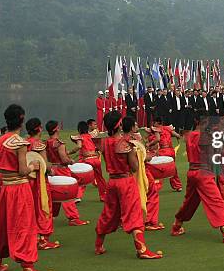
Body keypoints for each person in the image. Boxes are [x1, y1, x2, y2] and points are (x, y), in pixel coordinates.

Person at [0, 104, 54, 271]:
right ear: (21, 119)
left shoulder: (0, 141)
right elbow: (24, 170)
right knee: (24, 226)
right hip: (19, 187)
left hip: (6, 187)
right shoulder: (19, 142)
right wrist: (35, 165)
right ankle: (28, 269)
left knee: (4, 225)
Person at [94, 111, 163, 259]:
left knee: (109, 213)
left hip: (112, 182)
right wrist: (140, 154)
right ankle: (142, 249)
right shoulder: (126, 144)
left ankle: (99, 245)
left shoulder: (104, 143)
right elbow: (134, 167)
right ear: (119, 125)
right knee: (134, 213)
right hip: (125, 181)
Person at [172, 115, 224, 243]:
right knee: (217, 201)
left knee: (189, 202)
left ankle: (176, 226)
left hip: (192, 172)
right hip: (204, 173)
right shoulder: (206, 137)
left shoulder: (189, 135)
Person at [45, 120, 89, 226]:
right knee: (68, 193)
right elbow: (64, 159)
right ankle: (73, 218)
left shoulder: (46, 143)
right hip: (62, 169)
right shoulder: (59, 143)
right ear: (57, 129)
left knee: (55, 194)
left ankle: (51, 216)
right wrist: (70, 161)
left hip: (52, 169)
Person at [25, 118, 60, 251]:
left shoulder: (24, 143)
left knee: (32, 208)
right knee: (44, 207)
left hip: (27, 179)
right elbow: (44, 164)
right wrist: (52, 169)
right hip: (39, 181)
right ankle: (43, 239)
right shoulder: (38, 144)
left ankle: (32, 237)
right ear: (39, 129)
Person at [69, 121, 107, 202]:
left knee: (83, 178)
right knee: (100, 178)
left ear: (79, 129)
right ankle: (104, 195)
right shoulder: (91, 136)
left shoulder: (80, 137)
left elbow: (79, 146)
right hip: (96, 160)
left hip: (87, 160)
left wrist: (69, 152)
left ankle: (78, 196)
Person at [154, 116, 183, 192]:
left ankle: (156, 187)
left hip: (163, 151)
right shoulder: (167, 128)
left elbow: (157, 139)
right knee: (173, 168)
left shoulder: (156, 129)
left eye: (154, 122)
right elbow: (178, 136)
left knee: (160, 169)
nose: (153, 124)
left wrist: (149, 144)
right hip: (171, 151)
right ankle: (178, 186)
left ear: (157, 122)